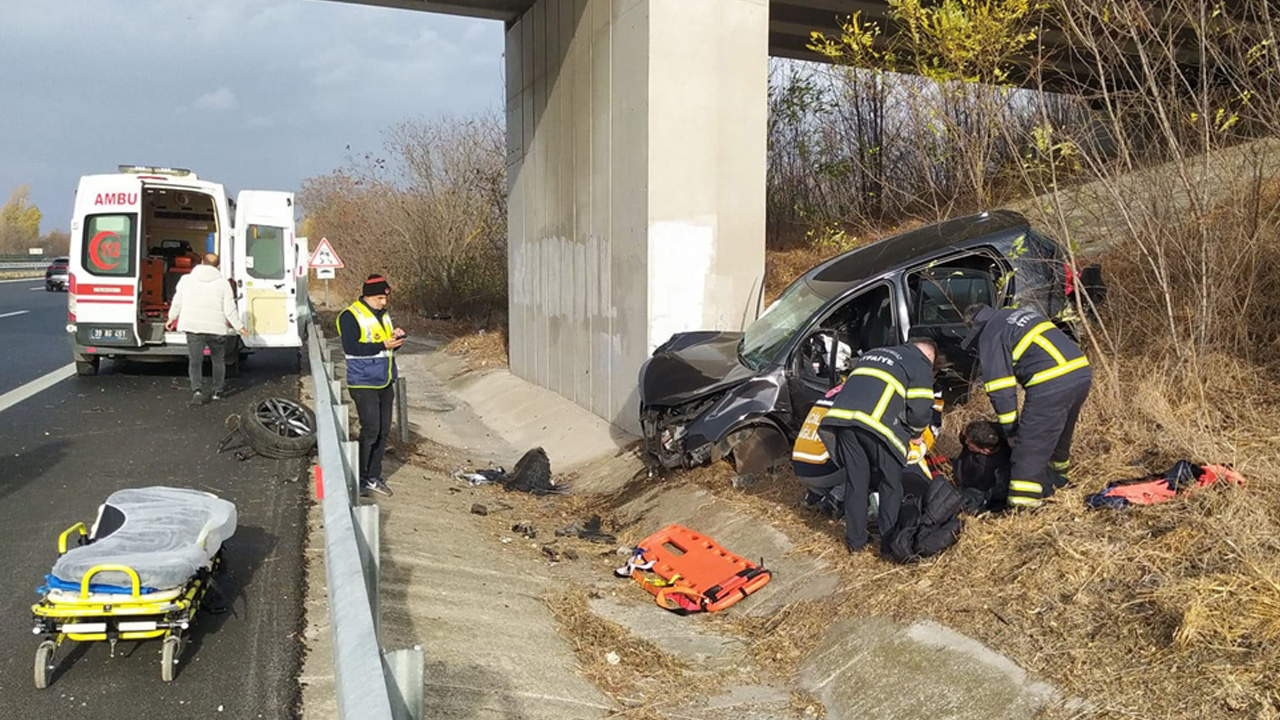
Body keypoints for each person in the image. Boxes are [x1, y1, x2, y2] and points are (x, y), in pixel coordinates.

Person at [963, 305, 1093, 509]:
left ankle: (1023, 507)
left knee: (1028, 448)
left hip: (1051, 380)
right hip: (1080, 372)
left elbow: (1000, 389)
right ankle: (1058, 481)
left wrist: (1011, 432)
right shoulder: (1011, 315)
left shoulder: (990, 333)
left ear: (974, 326)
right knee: (1058, 436)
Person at [818, 339, 938, 554]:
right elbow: (920, 410)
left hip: (843, 422)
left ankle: (856, 543)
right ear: (929, 356)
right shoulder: (919, 362)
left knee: (856, 484)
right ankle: (887, 545)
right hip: (877, 427)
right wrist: (917, 434)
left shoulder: (873, 352)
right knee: (891, 484)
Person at [337, 274, 404, 498]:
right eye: (379, 298)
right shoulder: (350, 316)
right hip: (363, 381)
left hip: (384, 379)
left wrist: (396, 340)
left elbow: (386, 348)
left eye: (385, 299)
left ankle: (374, 475)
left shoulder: (383, 316)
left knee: (384, 431)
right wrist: (381, 344)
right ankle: (361, 476)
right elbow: (351, 348)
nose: (384, 303)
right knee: (371, 430)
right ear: (367, 296)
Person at [166, 253, 247, 406]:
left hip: (193, 327)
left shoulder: (186, 280)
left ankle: (197, 391)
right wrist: (239, 327)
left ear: (201, 262)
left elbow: (177, 301)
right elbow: (230, 309)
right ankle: (217, 391)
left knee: (195, 361)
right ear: (218, 266)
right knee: (218, 361)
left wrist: (171, 318)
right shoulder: (223, 284)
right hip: (215, 328)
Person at [952, 420, 1012, 513]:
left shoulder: (994, 472)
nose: (966, 442)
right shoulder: (991, 435)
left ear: (986, 451)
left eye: (970, 443)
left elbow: (992, 495)